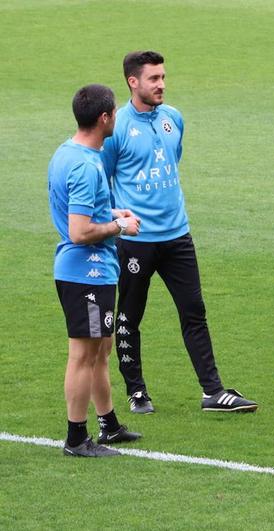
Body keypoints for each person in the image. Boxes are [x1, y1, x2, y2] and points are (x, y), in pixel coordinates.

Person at [101, 51, 257, 414]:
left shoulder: (173, 118)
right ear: (133, 82)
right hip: (136, 241)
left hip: (177, 235)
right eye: (154, 79)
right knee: (129, 316)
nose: (162, 85)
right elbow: (104, 179)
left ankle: (212, 391)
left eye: (163, 77)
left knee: (194, 311)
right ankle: (137, 392)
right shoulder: (118, 127)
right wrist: (119, 225)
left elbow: (173, 161)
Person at [49, 84, 143, 456]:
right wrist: (120, 226)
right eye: (115, 114)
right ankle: (76, 437)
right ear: (104, 118)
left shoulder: (66, 152)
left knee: (101, 349)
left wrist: (111, 213)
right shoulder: (87, 166)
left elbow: (81, 211)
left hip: (92, 272)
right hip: (84, 273)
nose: (116, 119)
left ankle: (109, 425)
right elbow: (79, 231)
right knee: (83, 355)